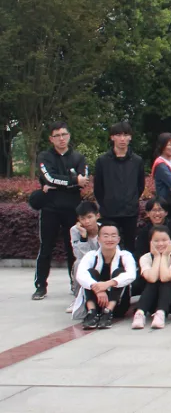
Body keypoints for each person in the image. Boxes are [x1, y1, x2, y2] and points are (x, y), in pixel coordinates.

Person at [34, 121, 89, 300]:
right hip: (50, 208)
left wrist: (62, 183)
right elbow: (49, 178)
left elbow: (84, 180)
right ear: (51, 139)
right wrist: (73, 181)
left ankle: (75, 284)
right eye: (57, 135)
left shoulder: (79, 157)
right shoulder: (44, 156)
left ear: (69, 136)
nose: (61, 138)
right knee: (46, 248)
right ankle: (41, 285)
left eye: (64, 134)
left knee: (73, 248)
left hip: (72, 209)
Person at [93, 121, 145, 255]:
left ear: (130, 137)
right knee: (109, 247)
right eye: (118, 135)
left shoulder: (137, 161)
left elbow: (140, 186)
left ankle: (129, 275)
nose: (122, 139)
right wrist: (106, 204)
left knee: (129, 247)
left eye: (126, 135)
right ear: (112, 137)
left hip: (130, 212)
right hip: (109, 212)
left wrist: (131, 200)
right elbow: (98, 187)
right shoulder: (102, 161)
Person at [74, 221, 137, 329]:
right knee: (90, 273)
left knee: (120, 273)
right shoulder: (91, 256)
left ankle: (108, 312)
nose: (109, 239)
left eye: (113, 236)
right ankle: (92, 313)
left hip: (118, 305)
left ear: (118, 239)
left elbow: (131, 274)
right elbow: (80, 275)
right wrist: (98, 288)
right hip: (96, 301)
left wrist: (108, 284)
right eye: (106, 236)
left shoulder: (125, 255)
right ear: (98, 239)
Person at [131, 226, 171, 330]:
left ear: (170, 241)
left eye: (164, 240)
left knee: (166, 283)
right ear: (150, 242)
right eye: (156, 241)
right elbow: (152, 278)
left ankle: (160, 314)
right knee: (152, 283)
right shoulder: (145, 258)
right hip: (151, 298)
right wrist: (157, 257)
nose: (160, 244)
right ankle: (140, 314)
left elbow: (165, 278)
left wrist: (164, 256)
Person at [68, 201, 101, 313]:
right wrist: (83, 237)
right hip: (86, 262)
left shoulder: (105, 229)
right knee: (78, 263)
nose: (86, 221)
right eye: (82, 218)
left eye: (90, 217)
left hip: (103, 261)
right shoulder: (75, 231)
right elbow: (79, 255)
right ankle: (77, 298)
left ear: (97, 216)